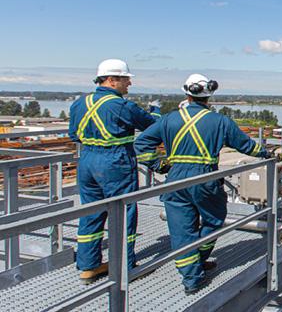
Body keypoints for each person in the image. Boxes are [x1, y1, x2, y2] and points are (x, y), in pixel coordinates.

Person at [134, 74, 270, 294]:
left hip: (175, 180)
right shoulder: (219, 121)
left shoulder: (169, 119)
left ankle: (191, 277)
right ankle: (198, 258)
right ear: (210, 94)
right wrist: (267, 153)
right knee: (213, 219)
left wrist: (158, 166)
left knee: (180, 231)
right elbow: (246, 146)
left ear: (186, 94)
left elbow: (140, 143)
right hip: (205, 178)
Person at [68, 59, 160, 284]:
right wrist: (156, 111)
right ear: (111, 79)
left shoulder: (79, 103)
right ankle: (124, 266)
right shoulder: (121, 105)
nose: (129, 83)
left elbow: (74, 135)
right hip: (115, 162)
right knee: (123, 212)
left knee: (91, 212)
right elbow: (153, 126)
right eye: (126, 79)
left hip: (87, 160)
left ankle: (88, 266)